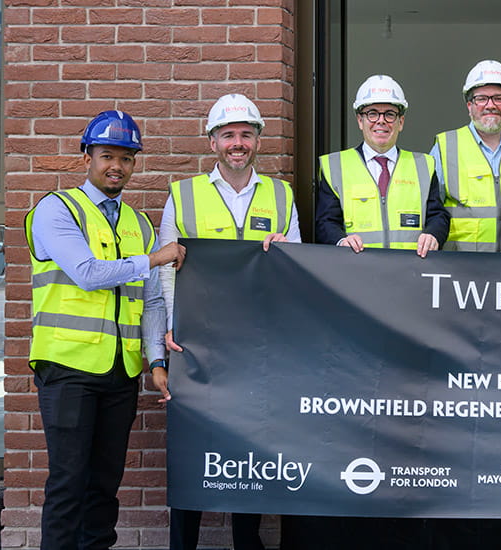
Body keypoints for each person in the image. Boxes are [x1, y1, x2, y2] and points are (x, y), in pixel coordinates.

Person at [25, 110, 185, 550]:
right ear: (87, 157)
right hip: (68, 368)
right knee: (68, 483)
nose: (116, 165)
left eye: (126, 158)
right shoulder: (56, 210)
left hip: (119, 373)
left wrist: (155, 360)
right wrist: (155, 258)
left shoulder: (138, 223)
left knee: (104, 487)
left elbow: (151, 301)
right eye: (107, 155)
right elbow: (88, 272)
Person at [157, 93, 300, 550]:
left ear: (257, 140)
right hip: (196, 345)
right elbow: (165, 271)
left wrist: (284, 254)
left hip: (257, 347)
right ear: (213, 141)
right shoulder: (183, 194)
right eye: (227, 135)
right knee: (191, 452)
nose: (237, 143)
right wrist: (166, 340)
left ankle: (247, 544)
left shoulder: (281, 195)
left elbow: (296, 272)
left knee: (248, 451)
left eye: (245, 135)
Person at [316, 75, 448, 254]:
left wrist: (433, 235)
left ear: (400, 122)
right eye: (372, 113)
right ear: (359, 121)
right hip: (357, 272)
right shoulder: (335, 166)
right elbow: (325, 222)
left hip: (410, 272)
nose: (381, 121)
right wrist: (340, 240)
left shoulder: (423, 166)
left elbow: (438, 216)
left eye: (389, 114)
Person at [431, 59, 501, 252]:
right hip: (460, 270)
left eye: (498, 98)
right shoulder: (446, 145)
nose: (490, 105)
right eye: (481, 99)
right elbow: (431, 211)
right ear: (469, 106)